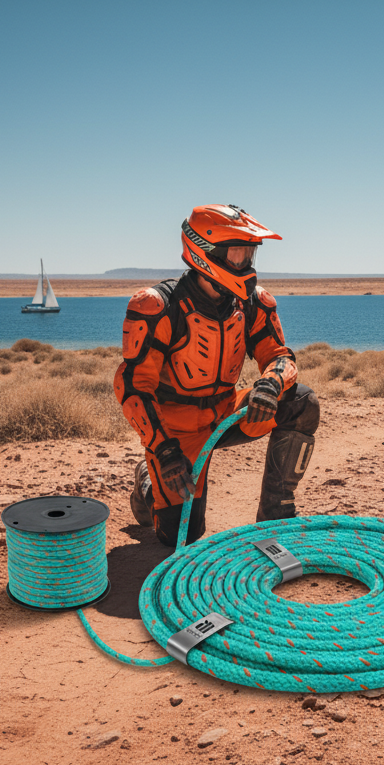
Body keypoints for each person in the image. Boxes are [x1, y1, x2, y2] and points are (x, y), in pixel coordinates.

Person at [114, 204, 319, 547]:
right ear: (205, 253)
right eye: (237, 253)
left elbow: (281, 357)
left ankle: (275, 515)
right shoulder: (158, 306)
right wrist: (164, 451)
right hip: (175, 432)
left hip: (228, 412)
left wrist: (270, 383)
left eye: (248, 253)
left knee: (301, 402)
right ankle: (147, 483)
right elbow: (133, 388)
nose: (245, 263)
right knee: (182, 535)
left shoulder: (252, 303)